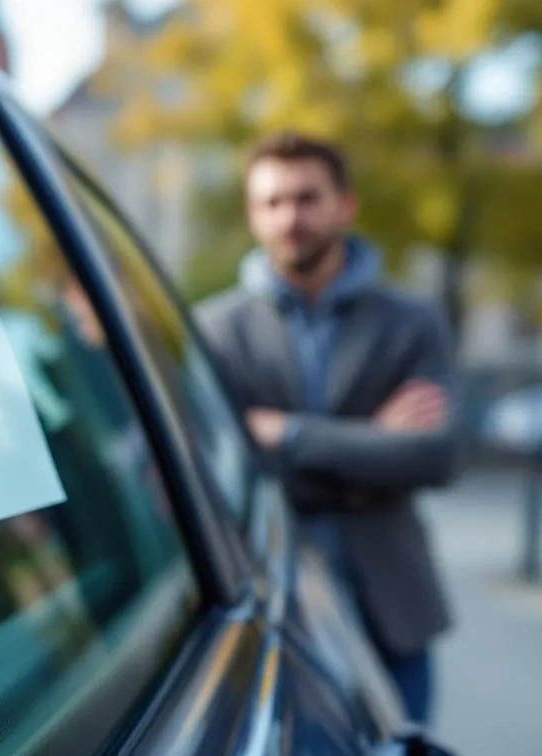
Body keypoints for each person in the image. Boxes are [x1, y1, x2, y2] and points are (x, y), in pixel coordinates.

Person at [196, 131, 458, 724]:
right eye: (272, 202)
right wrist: (372, 444)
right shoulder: (215, 330)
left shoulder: (411, 322)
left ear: (346, 204)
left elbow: (436, 458)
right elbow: (211, 465)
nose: (290, 217)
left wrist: (287, 436)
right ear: (252, 213)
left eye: (307, 197)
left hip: (393, 609)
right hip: (276, 617)